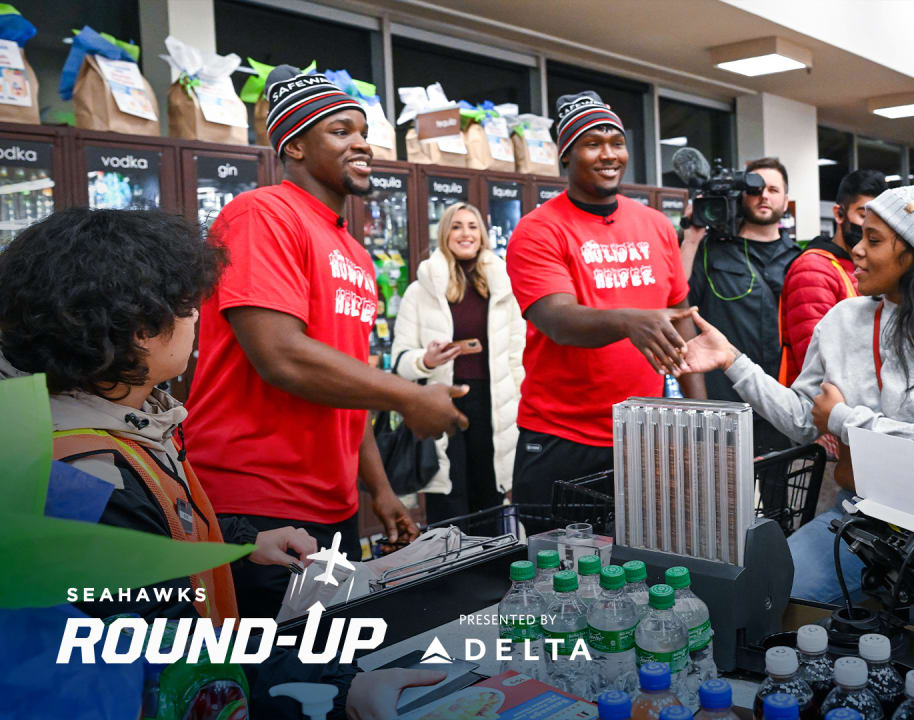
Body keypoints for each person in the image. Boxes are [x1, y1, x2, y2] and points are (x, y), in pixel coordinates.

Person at [0, 208, 448, 720]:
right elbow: (176, 654)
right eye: (189, 306)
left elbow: (162, 537)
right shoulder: (91, 478)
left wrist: (240, 542)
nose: (198, 318)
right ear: (141, 330)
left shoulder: (113, 423)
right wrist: (342, 688)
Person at [184, 66, 468, 619]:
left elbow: (344, 378)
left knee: (328, 681)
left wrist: (380, 491)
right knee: (274, 686)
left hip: (332, 506)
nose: (362, 142)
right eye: (340, 131)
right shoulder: (261, 214)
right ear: (293, 145)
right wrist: (408, 397)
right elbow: (281, 355)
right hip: (256, 503)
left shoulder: (356, 254)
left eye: (363, 131)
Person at [679, 152, 914, 605]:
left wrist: (845, 419)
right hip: (855, 516)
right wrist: (733, 361)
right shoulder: (842, 319)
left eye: (873, 240)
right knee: (771, 594)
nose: (855, 249)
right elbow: (800, 418)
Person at [505, 91, 705, 533]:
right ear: (567, 155)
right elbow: (556, 320)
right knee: (557, 580)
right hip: (561, 439)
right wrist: (629, 320)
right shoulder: (538, 229)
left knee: (638, 571)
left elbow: (680, 318)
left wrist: (703, 417)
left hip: (643, 435)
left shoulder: (654, 224)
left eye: (616, 141)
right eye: (592, 143)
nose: (609, 154)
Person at [392, 201, 526, 521]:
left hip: (494, 406)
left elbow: (518, 357)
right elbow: (399, 360)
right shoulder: (419, 292)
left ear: (482, 235)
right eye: (456, 226)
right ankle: (451, 570)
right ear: (444, 235)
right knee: (448, 502)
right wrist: (425, 359)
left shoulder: (504, 292)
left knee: (491, 500)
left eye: (472, 226)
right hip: (442, 404)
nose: (465, 233)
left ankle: (491, 569)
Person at [684, 157, 802, 452]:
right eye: (756, 188)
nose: (764, 195)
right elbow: (678, 300)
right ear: (741, 194)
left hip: (780, 401)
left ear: (786, 200)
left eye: (774, 189)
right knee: (725, 494)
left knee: (780, 494)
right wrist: (691, 239)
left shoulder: (802, 259)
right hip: (723, 402)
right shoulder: (710, 251)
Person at [778, 169, 887, 386]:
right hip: (822, 408)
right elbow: (815, 362)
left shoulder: (867, 267)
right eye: (863, 216)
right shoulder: (813, 269)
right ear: (839, 214)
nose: (869, 228)